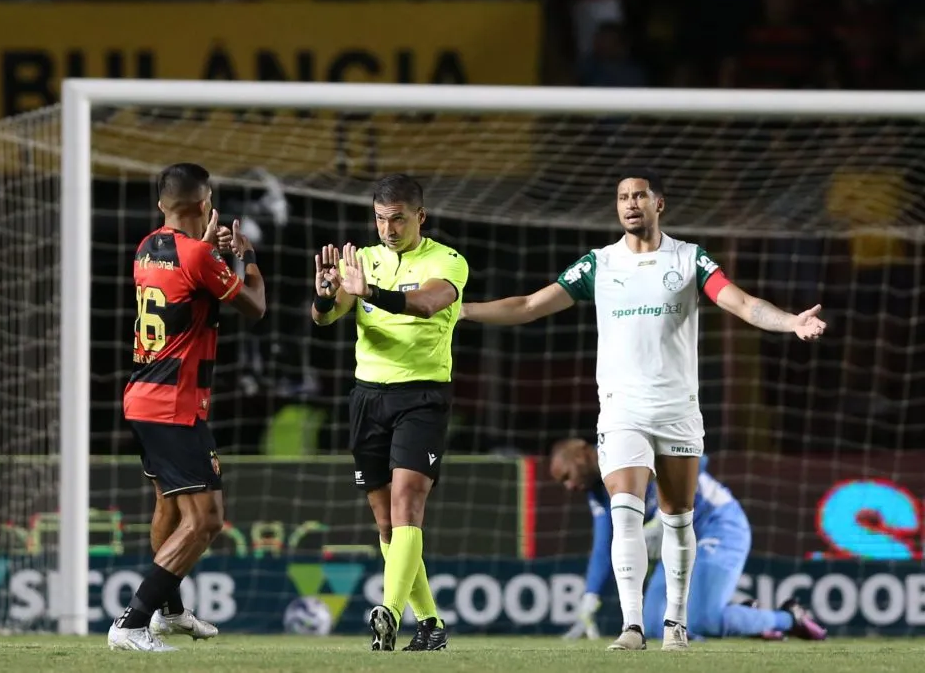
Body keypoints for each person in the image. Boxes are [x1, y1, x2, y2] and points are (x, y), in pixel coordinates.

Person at [460, 168, 826, 651]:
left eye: (639, 196)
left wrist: (790, 322)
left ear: (659, 204)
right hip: (621, 411)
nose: (630, 203)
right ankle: (632, 626)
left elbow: (740, 303)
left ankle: (676, 624)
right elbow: (529, 305)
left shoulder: (690, 259)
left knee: (677, 518)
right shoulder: (598, 264)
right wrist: (462, 310)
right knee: (625, 511)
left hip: (678, 409)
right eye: (622, 197)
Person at [110, 162, 266, 652]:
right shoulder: (199, 256)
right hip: (173, 405)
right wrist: (245, 256)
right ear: (205, 203)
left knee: (169, 505)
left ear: (162, 204)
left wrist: (209, 251)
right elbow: (255, 306)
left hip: (142, 397)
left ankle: (170, 612)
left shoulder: (146, 247)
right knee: (206, 520)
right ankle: (132, 622)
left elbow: (189, 274)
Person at [311, 173, 468, 652]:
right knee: (386, 524)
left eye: (398, 219)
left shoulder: (447, 261)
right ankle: (431, 623)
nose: (388, 229)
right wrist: (325, 294)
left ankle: (390, 613)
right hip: (368, 398)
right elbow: (326, 317)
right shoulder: (362, 260)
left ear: (420, 216)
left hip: (421, 397)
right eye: (380, 219)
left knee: (407, 505)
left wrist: (371, 293)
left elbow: (427, 304)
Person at [550, 438, 826, 643]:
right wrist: (591, 596)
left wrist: (662, 515)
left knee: (702, 621)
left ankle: (789, 618)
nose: (568, 486)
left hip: (716, 525)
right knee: (656, 626)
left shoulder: (626, 449)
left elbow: (698, 462)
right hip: (676, 540)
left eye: (566, 476)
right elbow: (605, 545)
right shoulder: (598, 491)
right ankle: (747, 620)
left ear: (580, 458)